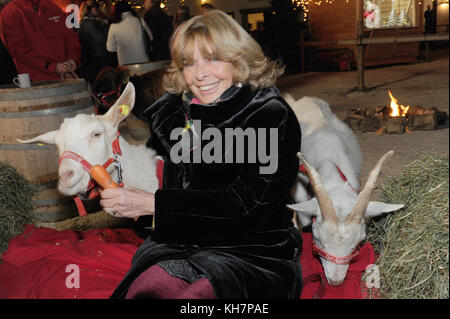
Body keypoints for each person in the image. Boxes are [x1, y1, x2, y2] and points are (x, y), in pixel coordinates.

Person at [104, 10, 303, 299]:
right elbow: (172, 188)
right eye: (189, 63)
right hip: (181, 243)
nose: (200, 74)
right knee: (144, 294)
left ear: (238, 58)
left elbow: (246, 205)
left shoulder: (268, 115)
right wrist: (127, 199)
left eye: (213, 59)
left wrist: (153, 204)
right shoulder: (175, 113)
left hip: (252, 251)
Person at [0, 0, 81, 82]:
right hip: (36, 83)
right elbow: (18, 49)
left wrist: (72, 59)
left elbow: (71, 38)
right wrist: (51, 66)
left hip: (67, 78)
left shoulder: (52, 7)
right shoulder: (10, 12)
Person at [79, 0, 116, 84]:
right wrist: (105, 26)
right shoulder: (90, 23)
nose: (99, 10)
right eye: (97, 8)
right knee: (103, 81)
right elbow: (101, 39)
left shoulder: (85, 22)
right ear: (92, 9)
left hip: (92, 57)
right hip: (98, 57)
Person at [107, 0, 148, 65]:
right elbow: (150, 38)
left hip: (126, 65)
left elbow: (110, 48)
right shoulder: (140, 20)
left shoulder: (114, 26)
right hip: (144, 62)